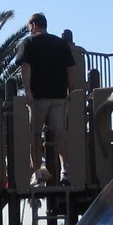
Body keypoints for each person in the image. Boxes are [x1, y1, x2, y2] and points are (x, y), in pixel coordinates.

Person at [17, 12, 76, 188]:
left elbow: (25, 67)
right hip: (59, 97)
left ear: (33, 25)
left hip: (38, 97)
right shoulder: (60, 43)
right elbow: (70, 69)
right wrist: (71, 91)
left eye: (29, 26)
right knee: (60, 134)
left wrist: (27, 89)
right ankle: (65, 171)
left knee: (34, 134)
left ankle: (36, 174)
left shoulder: (28, 42)